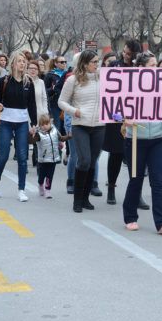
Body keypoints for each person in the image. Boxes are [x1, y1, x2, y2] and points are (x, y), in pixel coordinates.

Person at [121, 51, 162, 235]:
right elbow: (113, 109)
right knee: (135, 179)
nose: (157, 68)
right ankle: (130, 217)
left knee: (158, 181)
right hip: (135, 139)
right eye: (152, 65)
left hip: (157, 139)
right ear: (141, 68)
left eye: (156, 65)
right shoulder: (129, 86)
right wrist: (123, 119)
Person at [103, 40, 149, 208]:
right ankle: (111, 188)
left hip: (136, 116)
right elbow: (107, 90)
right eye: (124, 51)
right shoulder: (114, 66)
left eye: (128, 53)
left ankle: (136, 194)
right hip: (117, 117)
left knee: (136, 157)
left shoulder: (141, 68)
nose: (124, 55)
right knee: (116, 154)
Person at [58, 50, 104, 213]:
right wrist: (74, 110)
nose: (97, 65)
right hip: (80, 125)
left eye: (98, 62)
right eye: (94, 62)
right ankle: (77, 199)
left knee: (92, 161)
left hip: (99, 125)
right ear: (84, 63)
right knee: (84, 160)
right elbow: (61, 101)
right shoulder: (73, 80)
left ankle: (85, 198)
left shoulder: (103, 79)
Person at [0, 52, 37, 202]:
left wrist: (34, 123)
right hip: (6, 121)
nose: (23, 64)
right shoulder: (4, 81)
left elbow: (32, 105)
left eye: (24, 62)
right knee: (3, 155)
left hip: (22, 122)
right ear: (13, 64)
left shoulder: (28, 82)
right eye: (20, 61)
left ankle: (21, 190)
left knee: (23, 157)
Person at [31, 114, 70, 199]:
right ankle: (40, 184)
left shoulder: (55, 130)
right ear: (40, 125)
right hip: (43, 159)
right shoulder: (39, 134)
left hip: (53, 158)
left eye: (46, 124)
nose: (45, 126)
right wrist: (31, 134)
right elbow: (32, 141)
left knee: (50, 175)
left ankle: (47, 189)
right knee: (42, 175)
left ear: (50, 123)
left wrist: (68, 136)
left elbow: (61, 138)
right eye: (42, 124)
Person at [27, 59, 48, 167]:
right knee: (27, 137)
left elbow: (44, 99)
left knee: (39, 137)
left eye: (35, 69)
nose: (33, 71)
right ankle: (23, 160)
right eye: (31, 68)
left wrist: (46, 113)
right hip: (26, 114)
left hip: (40, 113)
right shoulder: (24, 81)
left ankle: (37, 158)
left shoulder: (41, 82)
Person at [44, 55, 67, 134]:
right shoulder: (50, 75)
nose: (64, 64)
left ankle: (67, 146)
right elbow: (45, 91)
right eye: (61, 62)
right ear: (55, 63)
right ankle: (55, 145)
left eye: (65, 62)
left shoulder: (67, 74)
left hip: (66, 104)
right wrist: (53, 89)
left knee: (67, 127)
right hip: (55, 104)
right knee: (57, 127)